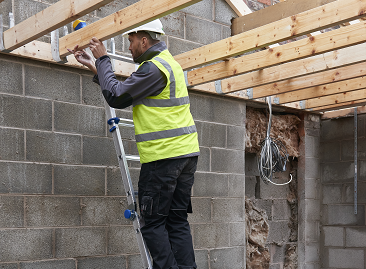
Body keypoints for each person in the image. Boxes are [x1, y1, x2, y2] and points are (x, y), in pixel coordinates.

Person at [68, 19, 200, 269]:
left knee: (152, 223)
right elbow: (123, 88)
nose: (129, 47)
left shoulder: (152, 68)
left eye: (130, 41)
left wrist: (103, 58)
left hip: (163, 158)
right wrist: (97, 68)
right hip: (185, 155)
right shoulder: (168, 64)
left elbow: (117, 96)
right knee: (176, 221)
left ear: (144, 40)